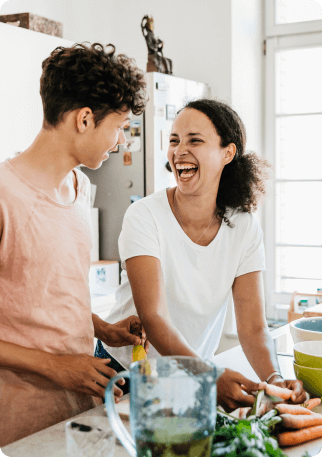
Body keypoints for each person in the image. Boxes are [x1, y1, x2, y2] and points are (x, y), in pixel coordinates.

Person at [99, 98, 306, 412]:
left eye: (194, 140)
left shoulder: (244, 227)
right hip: (125, 373)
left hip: (189, 374)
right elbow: (154, 319)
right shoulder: (144, 216)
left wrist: (274, 378)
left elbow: (253, 327)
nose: (179, 150)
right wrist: (208, 375)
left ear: (227, 153)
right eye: (174, 141)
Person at [0, 42, 148, 447]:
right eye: (117, 127)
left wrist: (102, 328)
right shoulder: (4, 196)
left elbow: (44, 296)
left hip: (80, 413)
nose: (118, 142)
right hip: (20, 426)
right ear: (85, 119)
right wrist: (56, 367)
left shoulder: (80, 187)